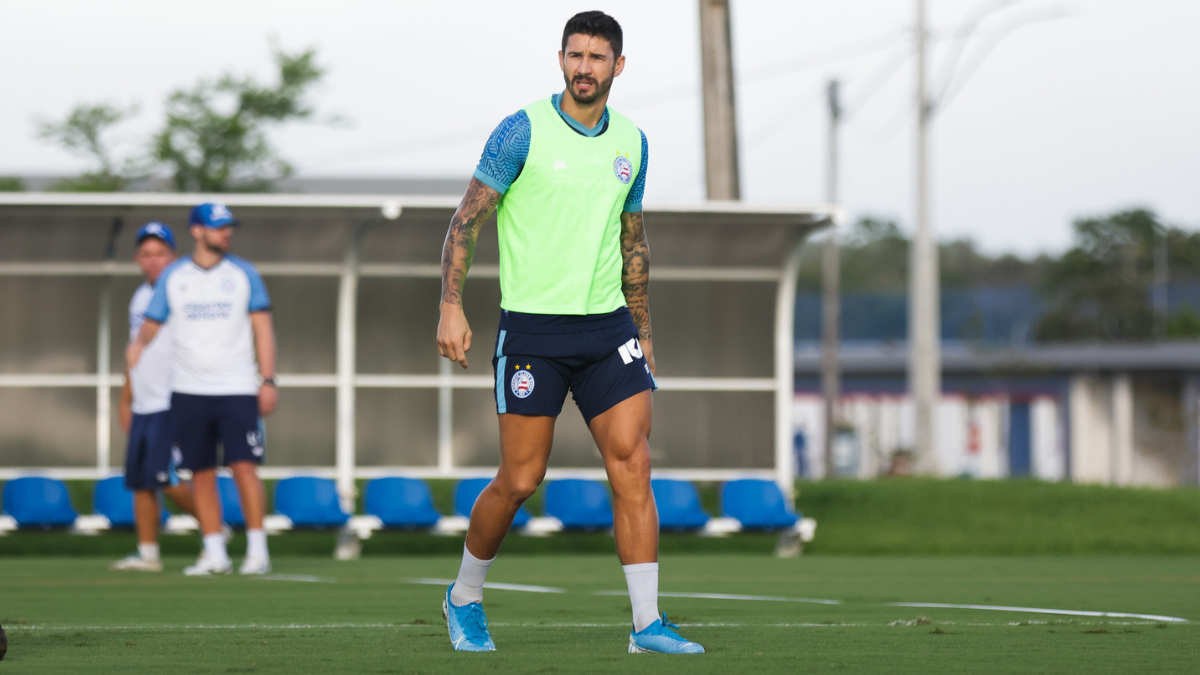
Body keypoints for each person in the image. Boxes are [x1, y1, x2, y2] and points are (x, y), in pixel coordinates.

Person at [435, 11, 703, 655]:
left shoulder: (633, 142)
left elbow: (632, 242)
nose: (585, 68)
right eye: (575, 56)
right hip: (532, 332)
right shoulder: (520, 130)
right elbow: (465, 222)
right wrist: (450, 305)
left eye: (597, 57)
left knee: (632, 462)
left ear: (619, 66)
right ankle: (463, 598)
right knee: (521, 479)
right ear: (561, 60)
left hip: (609, 329)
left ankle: (646, 626)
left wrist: (643, 330)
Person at [126, 202, 278, 576]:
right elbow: (153, 321)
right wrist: (137, 346)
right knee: (201, 472)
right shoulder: (175, 275)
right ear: (197, 231)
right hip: (188, 389)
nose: (225, 233)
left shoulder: (244, 273)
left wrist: (268, 379)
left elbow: (263, 329)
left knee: (244, 467)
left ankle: (258, 552)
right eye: (217, 227)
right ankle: (215, 554)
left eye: (228, 227)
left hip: (238, 386)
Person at [110, 222, 200, 572]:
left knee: (167, 477)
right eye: (146, 254)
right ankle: (148, 554)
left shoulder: (182, 293)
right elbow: (135, 352)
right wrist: (125, 398)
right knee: (140, 481)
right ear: (137, 258)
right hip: (143, 403)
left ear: (173, 256)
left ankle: (214, 530)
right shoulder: (140, 296)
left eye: (159, 253)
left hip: (170, 401)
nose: (152, 260)